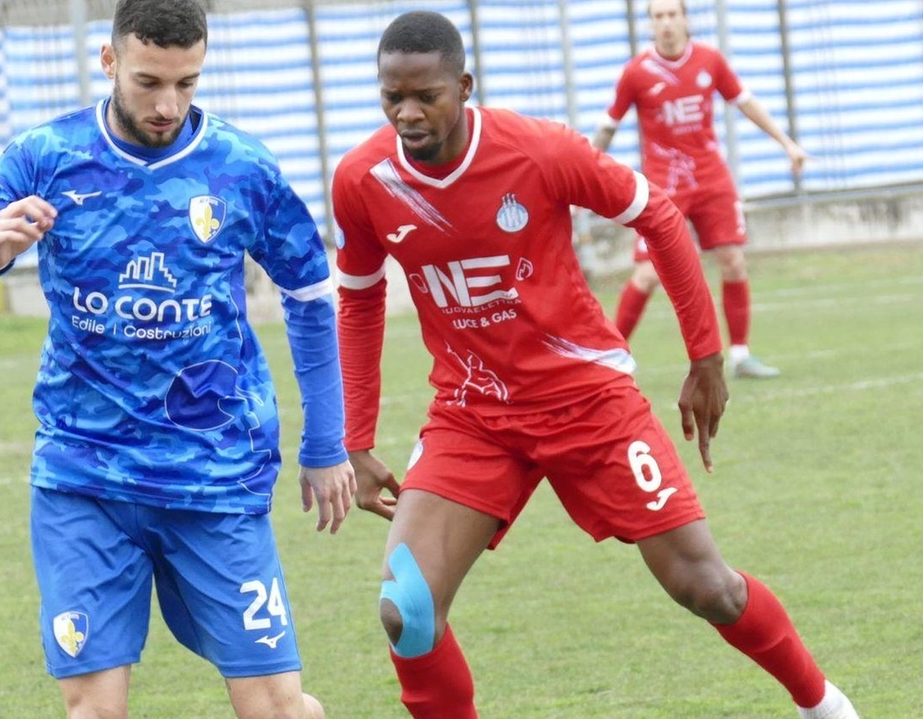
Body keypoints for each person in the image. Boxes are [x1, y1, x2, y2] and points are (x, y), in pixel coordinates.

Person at [332, 10, 857, 719]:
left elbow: (660, 216)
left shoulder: (540, 152)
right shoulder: (363, 179)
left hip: (588, 401)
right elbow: (359, 302)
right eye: (391, 96)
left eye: (426, 94)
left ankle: (823, 704)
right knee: (408, 608)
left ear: (465, 85)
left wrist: (705, 354)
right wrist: (356, 437)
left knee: (707, 586)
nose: (408, 112)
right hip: (473, 415)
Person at [0, 1, 355, 717]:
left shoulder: (241, 167)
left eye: (187, 83)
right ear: (110, 61)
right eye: (150, 81)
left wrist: (327, 442)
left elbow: (309, 294)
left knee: (275, 707)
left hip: (214, 475)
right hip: (85, 475)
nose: (168, 104)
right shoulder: (46, 157)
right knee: (94, 708)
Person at [592, 0, 806, 379]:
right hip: (663, 187)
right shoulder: (636, 73)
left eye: (673, 15)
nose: (667, 23)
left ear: (686, 19)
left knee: (734, 261)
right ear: (651, 24)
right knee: (647, 274)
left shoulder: (710, 60)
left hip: (711, 179)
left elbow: (746, 102)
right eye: (658, 17)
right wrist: (585, 169)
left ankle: (740, 354)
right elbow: (610, 124)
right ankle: (608, 359)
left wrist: (787, 143)